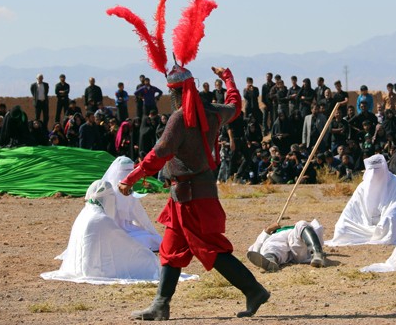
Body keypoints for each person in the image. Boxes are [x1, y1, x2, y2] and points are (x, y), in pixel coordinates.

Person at [118, 66, 269, 320]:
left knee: (210, 249)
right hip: (186, 193)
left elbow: (159, 153)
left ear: (176, 92)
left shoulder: (179, 118)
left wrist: (130, 178)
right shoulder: (212, 111)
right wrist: (228, 78)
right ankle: (160, 305)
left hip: (192, 196)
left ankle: (254, 290)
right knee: (170, 248)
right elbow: (234, 104)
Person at [41, 180, 162, 284]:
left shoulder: (84, 213)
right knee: (147, 260)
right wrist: (147, 254)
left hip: (79, 266)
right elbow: (125, 243)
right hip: (96, 268)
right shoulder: (101, 218)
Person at [326, 154, 396, 246]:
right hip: (363, 224)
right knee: (342, 228)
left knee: (389, 226)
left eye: (377, 170)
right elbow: (351, 208)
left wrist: (386, 219)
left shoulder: (395, 183)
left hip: (384, 222)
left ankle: (379, 230)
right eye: (371, 170)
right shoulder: (363, 186)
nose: (374, 174)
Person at [102, 156, 163, 251]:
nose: (125, 175)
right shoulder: (108, 193)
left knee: (148, 237)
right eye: (124, 171)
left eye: (129, 172)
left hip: (129, 228)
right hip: (112, 230)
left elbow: (140, 215)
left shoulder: (129, 192)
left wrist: (151, 231)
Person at [247, 219, 325, 272]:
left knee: (302, 223)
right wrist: (268, 230)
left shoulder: (296, 229)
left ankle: (317, 254)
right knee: (271, 245)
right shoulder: (273, 234)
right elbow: (255, 249)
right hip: (279, 243)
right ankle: (270, 260)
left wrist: (304, 227)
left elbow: (319, 236)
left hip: (298, 244)